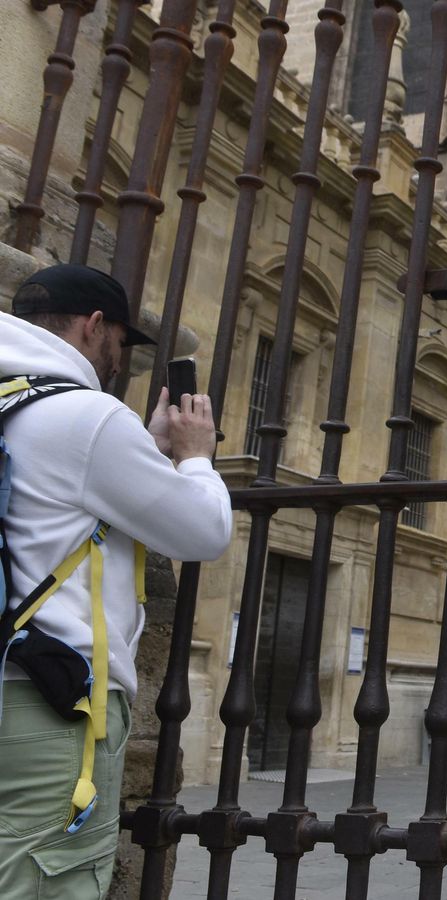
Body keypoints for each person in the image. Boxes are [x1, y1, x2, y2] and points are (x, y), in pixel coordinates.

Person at [0, 264, 232, 898]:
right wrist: (196, 458)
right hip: (49, 703)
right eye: (124, 345)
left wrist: (141, 450)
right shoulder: (87, 415)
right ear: (95, 325)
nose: (119, 362)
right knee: (49, 881)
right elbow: (203, 531)